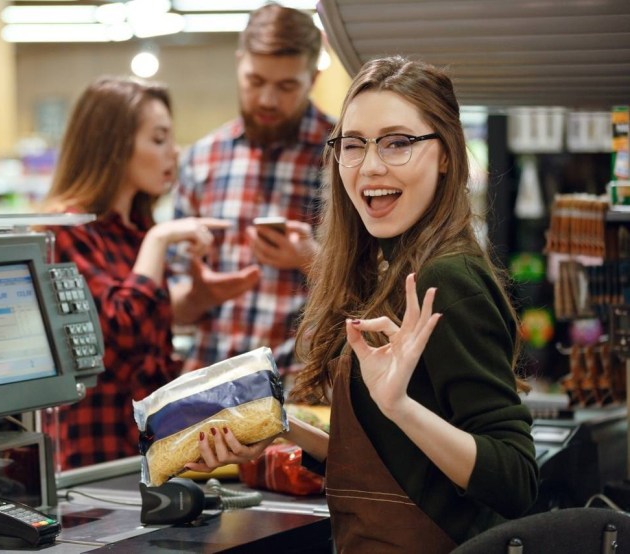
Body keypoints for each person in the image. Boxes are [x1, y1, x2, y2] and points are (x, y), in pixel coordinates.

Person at [187, 56, 539, 552]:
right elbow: (397, 462)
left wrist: (398, 406)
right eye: (353, 145)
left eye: (398, 143)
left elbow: (515, 480)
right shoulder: (392, 268)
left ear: (445, 154)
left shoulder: (445, 278)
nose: (371, 166)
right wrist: (277, 428)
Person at [42, 76, 260, 469]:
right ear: (113, 145)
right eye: (158, 140)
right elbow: (115, 335)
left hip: (146, 449)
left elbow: (146, 326)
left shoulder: (133, 230)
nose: (172, 152)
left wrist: (198, 299)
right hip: (94, 454)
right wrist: (159, 240)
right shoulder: (63, 231)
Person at [169, 3, 335, 378]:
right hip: (210, 388)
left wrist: (311, 260)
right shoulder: (202, 159)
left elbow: (380, 294)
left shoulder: (346, 155)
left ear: (314, 75)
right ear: (239, 62)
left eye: (286, 86)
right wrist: (198, 296)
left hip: (303, 392)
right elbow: (172, 305)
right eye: (255, 81)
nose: (267, 101)